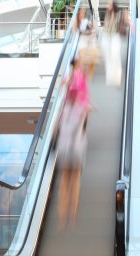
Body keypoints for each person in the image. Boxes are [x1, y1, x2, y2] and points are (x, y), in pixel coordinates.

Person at [56, 58, 91, 230]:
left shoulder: (64, 109)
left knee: (65, 179)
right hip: (76, 146)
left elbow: (57, 127)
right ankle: (72, 213)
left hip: (64, 147)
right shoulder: (81, 108)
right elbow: (87, 105)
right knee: (75, 178)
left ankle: (63, 215)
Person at [101, 0, 129, 86]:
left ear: (113, 5)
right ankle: (110, 77)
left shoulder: (119, 13)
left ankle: (117, 76)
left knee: (115, 55)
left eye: (109, 4)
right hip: (106, 36)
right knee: (107, 57)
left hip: (115, 36)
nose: (107, 6)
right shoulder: (107, 14)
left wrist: (131, 24)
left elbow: (126, 20)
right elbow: (106, 25)